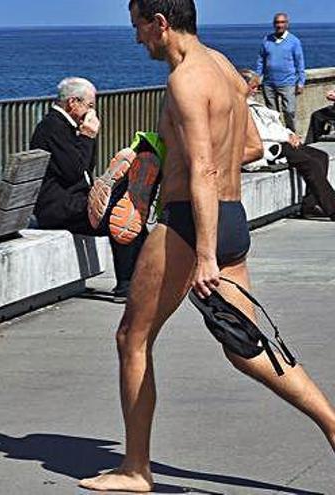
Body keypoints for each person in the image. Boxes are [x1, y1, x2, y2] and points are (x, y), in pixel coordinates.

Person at [80, 1, 335, 491]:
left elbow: (204, 168)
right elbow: (251, 148)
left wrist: (203, 255)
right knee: (245, 346)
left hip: (191, 225)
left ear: (160, 23)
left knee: (131, 338)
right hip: (232, 218)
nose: (137, 40)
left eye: (138, 27)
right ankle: (333, 424)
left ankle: (135, 469)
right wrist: (160, 149)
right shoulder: (223, 68)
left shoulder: (186, 80)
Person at [29, 77, 150, 303]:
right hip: (58, 209)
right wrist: (88, 137)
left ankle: (138, 280)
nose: (92, 111)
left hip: (74, 201)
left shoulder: (65, 125)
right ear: (73, 103)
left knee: (132, 216)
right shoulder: (53, 127)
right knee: (121, 220)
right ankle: (126, 285)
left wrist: (87, 138)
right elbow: (74, 172)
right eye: (90, 105)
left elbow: (84, 168)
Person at [241, 69, 335, 220]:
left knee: (321, 156)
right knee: (310, 162)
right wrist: (286, 136)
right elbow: (259, 132)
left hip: (279, 141)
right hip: (269, 147)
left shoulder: (251, 103)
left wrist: (289, 134)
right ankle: (332, 209)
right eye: (253, 87)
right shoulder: (239, 106)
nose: (256, 90)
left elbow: (271, 124)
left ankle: (309, 206)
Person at [255, 12, 306, 132]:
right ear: (274, 24)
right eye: (277, 22)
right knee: (272, 113)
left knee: (289, 111)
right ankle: (278, 137)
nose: (279, 25)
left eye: (282, 22)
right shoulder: (266, 40)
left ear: (287, 24)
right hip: (269, 83)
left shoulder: (294, 41)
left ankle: (292, 135)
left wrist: (301, 82)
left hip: (287, 83)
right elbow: (260, 60)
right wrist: (257, 78)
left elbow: (300, 63)